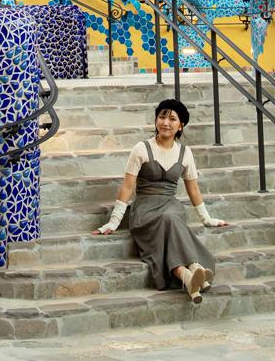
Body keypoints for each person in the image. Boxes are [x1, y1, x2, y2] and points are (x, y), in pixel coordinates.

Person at [93, 98, 226, 303]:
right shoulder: (141, 148)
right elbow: (127, 186)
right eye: (162, 117)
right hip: (144, 209)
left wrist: (207, 219)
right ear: (156, 120)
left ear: (180, 126)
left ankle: (188, 277)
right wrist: (114, 221)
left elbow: (193, 189)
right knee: (169, 219)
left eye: (172, 119)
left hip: (170, 205)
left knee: (171, 216)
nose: (165, 122)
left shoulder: (185, 153)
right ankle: (194, 267)